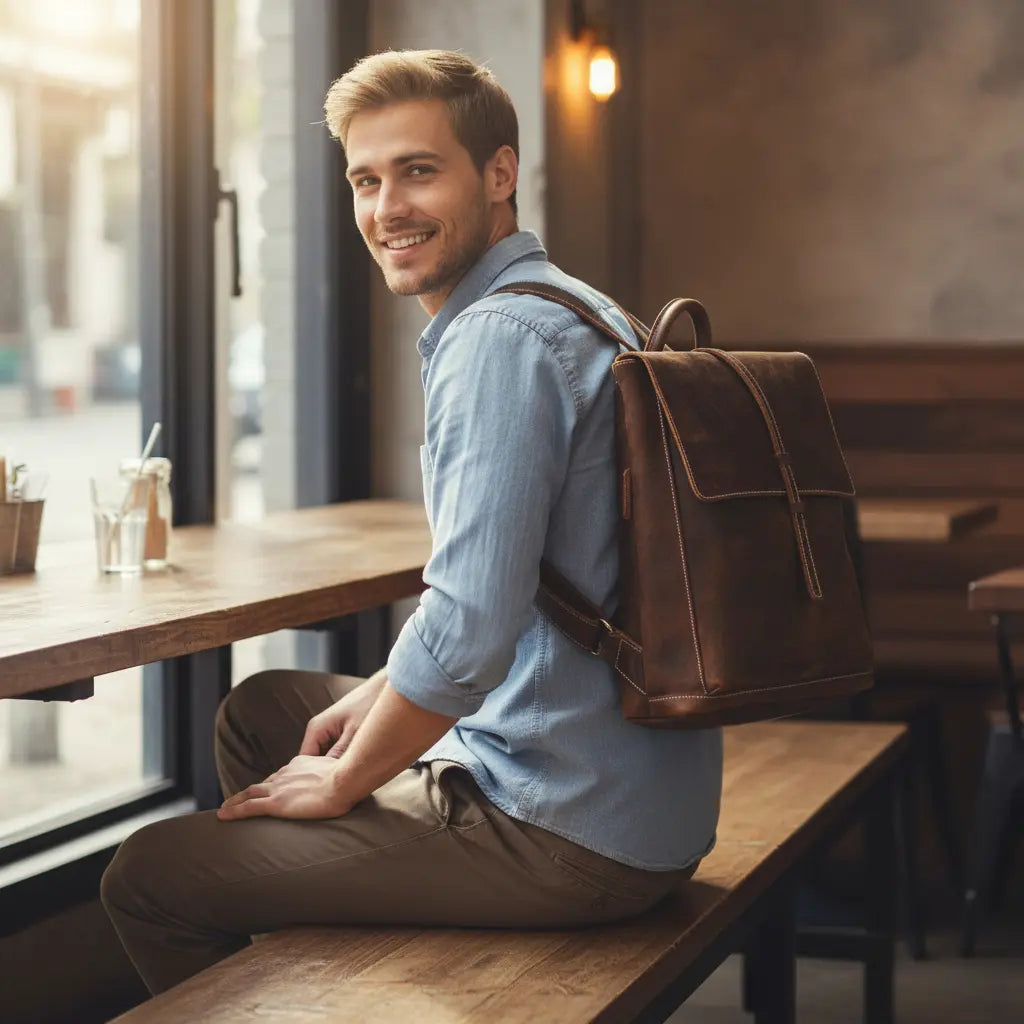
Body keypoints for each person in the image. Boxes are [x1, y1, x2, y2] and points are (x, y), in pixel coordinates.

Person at [101, 49, 722, 996]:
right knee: (268, 713)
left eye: (419, 171)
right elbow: (516, 596)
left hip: (571, 824)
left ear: (500, 174)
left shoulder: (500, 340)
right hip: (638, 784)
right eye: (365, 179)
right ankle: (325, 984)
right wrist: (382, 696)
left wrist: (348, 783)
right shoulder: (579, 309)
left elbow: (472, 626)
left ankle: (314, 988)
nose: (387, 208)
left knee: (149, 877)